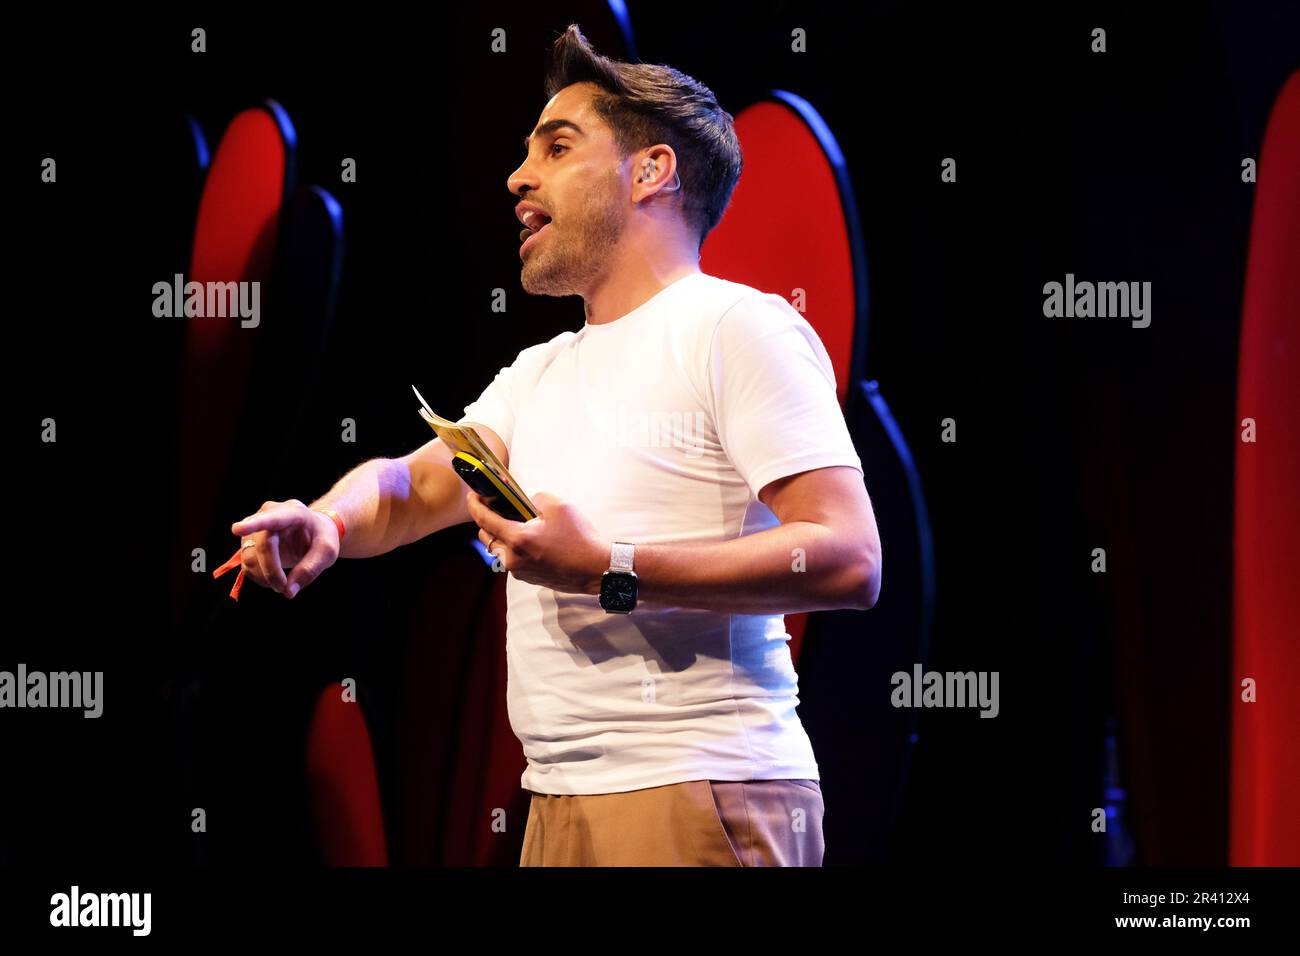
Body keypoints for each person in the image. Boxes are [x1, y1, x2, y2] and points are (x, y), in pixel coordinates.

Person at [229, 23, 882, 866]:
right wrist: (327, 521)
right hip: (556, 800)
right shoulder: (537, 372)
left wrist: (607, 568)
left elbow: (848, 558)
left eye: (557, 146)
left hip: (697, 787)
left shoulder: (735, 326)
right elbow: (411, 484)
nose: (517, 176)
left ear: (651, 172)